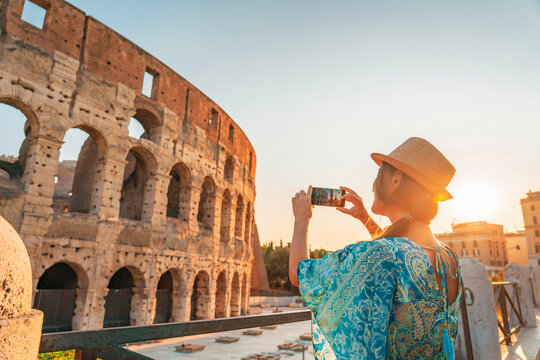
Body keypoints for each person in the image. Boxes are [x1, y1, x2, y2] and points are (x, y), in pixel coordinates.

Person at [289, 137, 463, 360]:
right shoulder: (448, 258)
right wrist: (365, 218)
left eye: (379, 174)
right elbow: (398, 256)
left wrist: (301, 220)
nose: (372, 185)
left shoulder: (379, 256)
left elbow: (299, 273)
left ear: (396, 179)